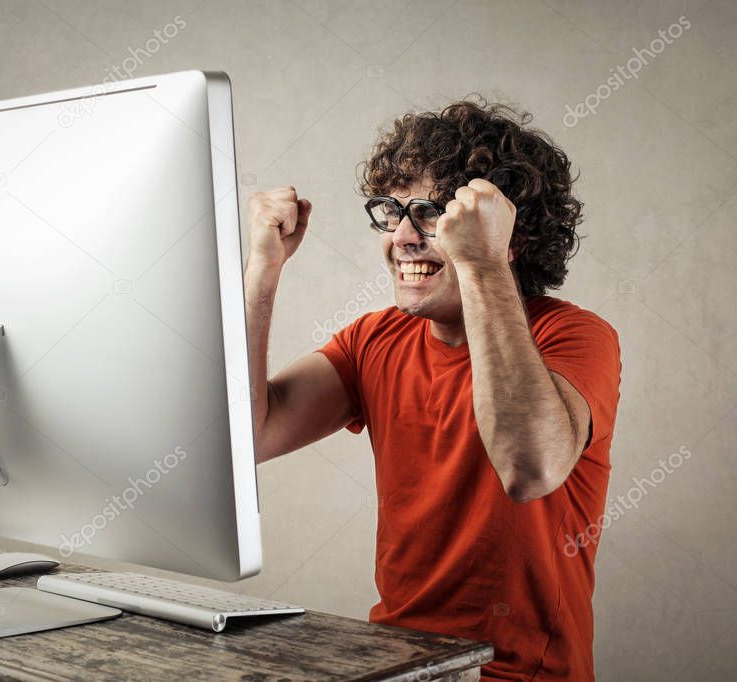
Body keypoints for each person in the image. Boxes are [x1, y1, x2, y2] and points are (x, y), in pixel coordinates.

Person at [244, 98, 621, 681]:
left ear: (507, 238)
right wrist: (262, 272)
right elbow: (248, 436)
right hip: (396, 668)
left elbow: (530, 468)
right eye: (393, 212)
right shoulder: (373, 338)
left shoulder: (574, 336)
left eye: (433, 216)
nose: (402, 236)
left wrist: (485, 265)